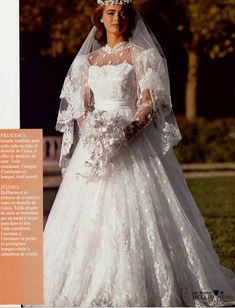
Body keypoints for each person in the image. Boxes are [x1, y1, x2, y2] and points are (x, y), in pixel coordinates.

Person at [24, 0, 235, 306]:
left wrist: (127, 133)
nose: (117, 18)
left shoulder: (142, 56)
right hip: (95, 144)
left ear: (130, 19)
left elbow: (148, 102)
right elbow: (82, 105)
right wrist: (94, 131)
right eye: (111, 13)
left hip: (134, 140)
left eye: (123, 13)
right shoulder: (88, 62)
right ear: (100, 18)